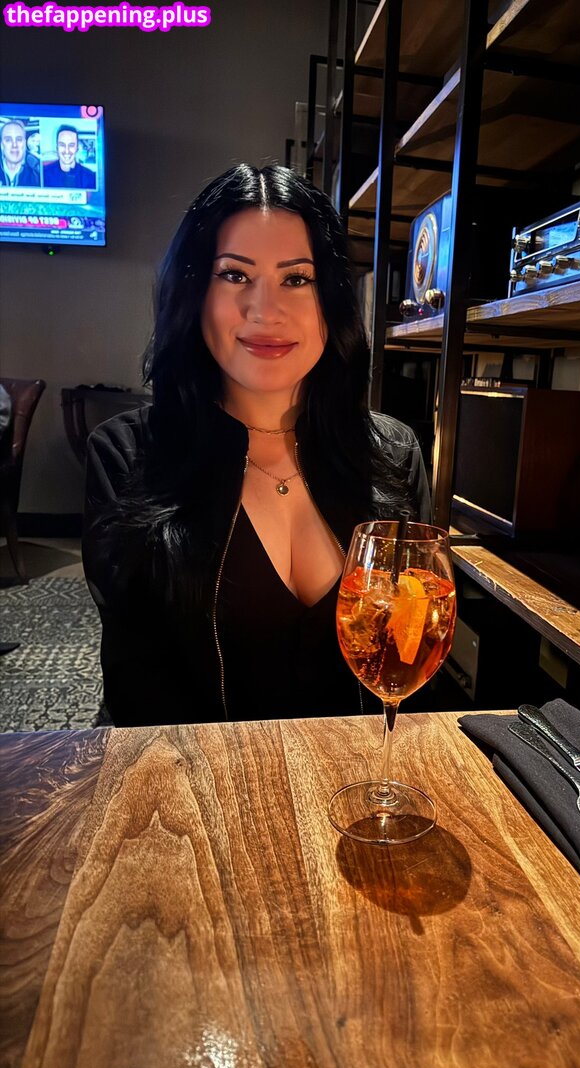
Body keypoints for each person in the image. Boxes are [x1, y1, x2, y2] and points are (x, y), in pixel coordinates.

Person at [83, 163, 431, 726]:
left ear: (331, 299)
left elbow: (411, 657)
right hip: (192, 776)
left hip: (355, 776)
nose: (265, 311)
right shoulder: (126, 457)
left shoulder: (393, 454)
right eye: (234, 274)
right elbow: (137, 694)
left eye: (296, 279)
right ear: (195, 293)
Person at [1, 119, 41, 187]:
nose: (14, 145)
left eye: (19, 139)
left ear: (24, 143)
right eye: (8, 140)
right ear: (2, 145)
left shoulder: (37, 171)